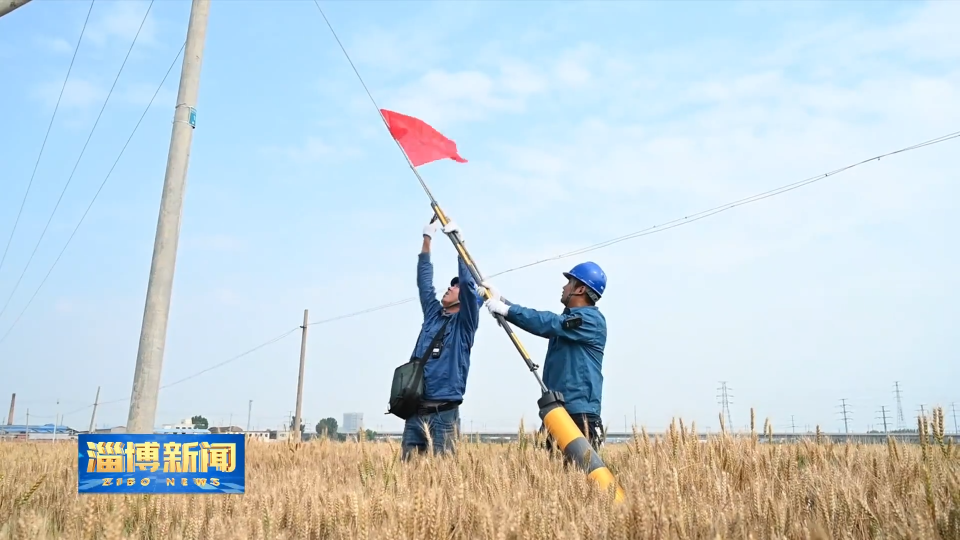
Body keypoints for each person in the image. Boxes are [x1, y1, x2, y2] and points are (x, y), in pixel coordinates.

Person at [480, 261, 608, 451]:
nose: (564, 287)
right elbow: (549, 323)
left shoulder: (589, 321)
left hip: (579, 416)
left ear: (580, 289)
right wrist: (503, 301)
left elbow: (550, 323)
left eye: (569, 282)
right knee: (552, 475)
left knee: (582, 477)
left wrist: (507, 310)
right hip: (557, 412)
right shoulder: (570, 322)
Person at [401, 217, 481, 460]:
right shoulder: (433, 315)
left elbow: (468, 284)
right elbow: (424, 282)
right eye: (450, 285)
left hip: (444, 416)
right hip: (414, 411)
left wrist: (460, 245)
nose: (450, 287)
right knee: (408, 480)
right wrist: (427, 238)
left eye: (454, 287)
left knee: (444, 480)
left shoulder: (465, 325)